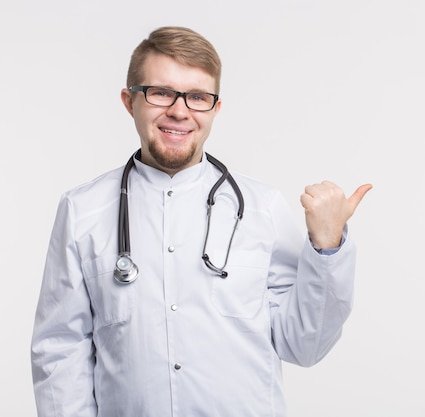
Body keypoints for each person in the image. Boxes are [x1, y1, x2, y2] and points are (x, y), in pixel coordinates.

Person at [30, 26, 371, 417]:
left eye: (197, 97)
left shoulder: (263, 209)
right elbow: (59, 351)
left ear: (215, 108)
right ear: (130, 101)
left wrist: (327, 248)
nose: (179, 110)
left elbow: (304, 346)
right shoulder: (81, 211)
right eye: (160, 92)